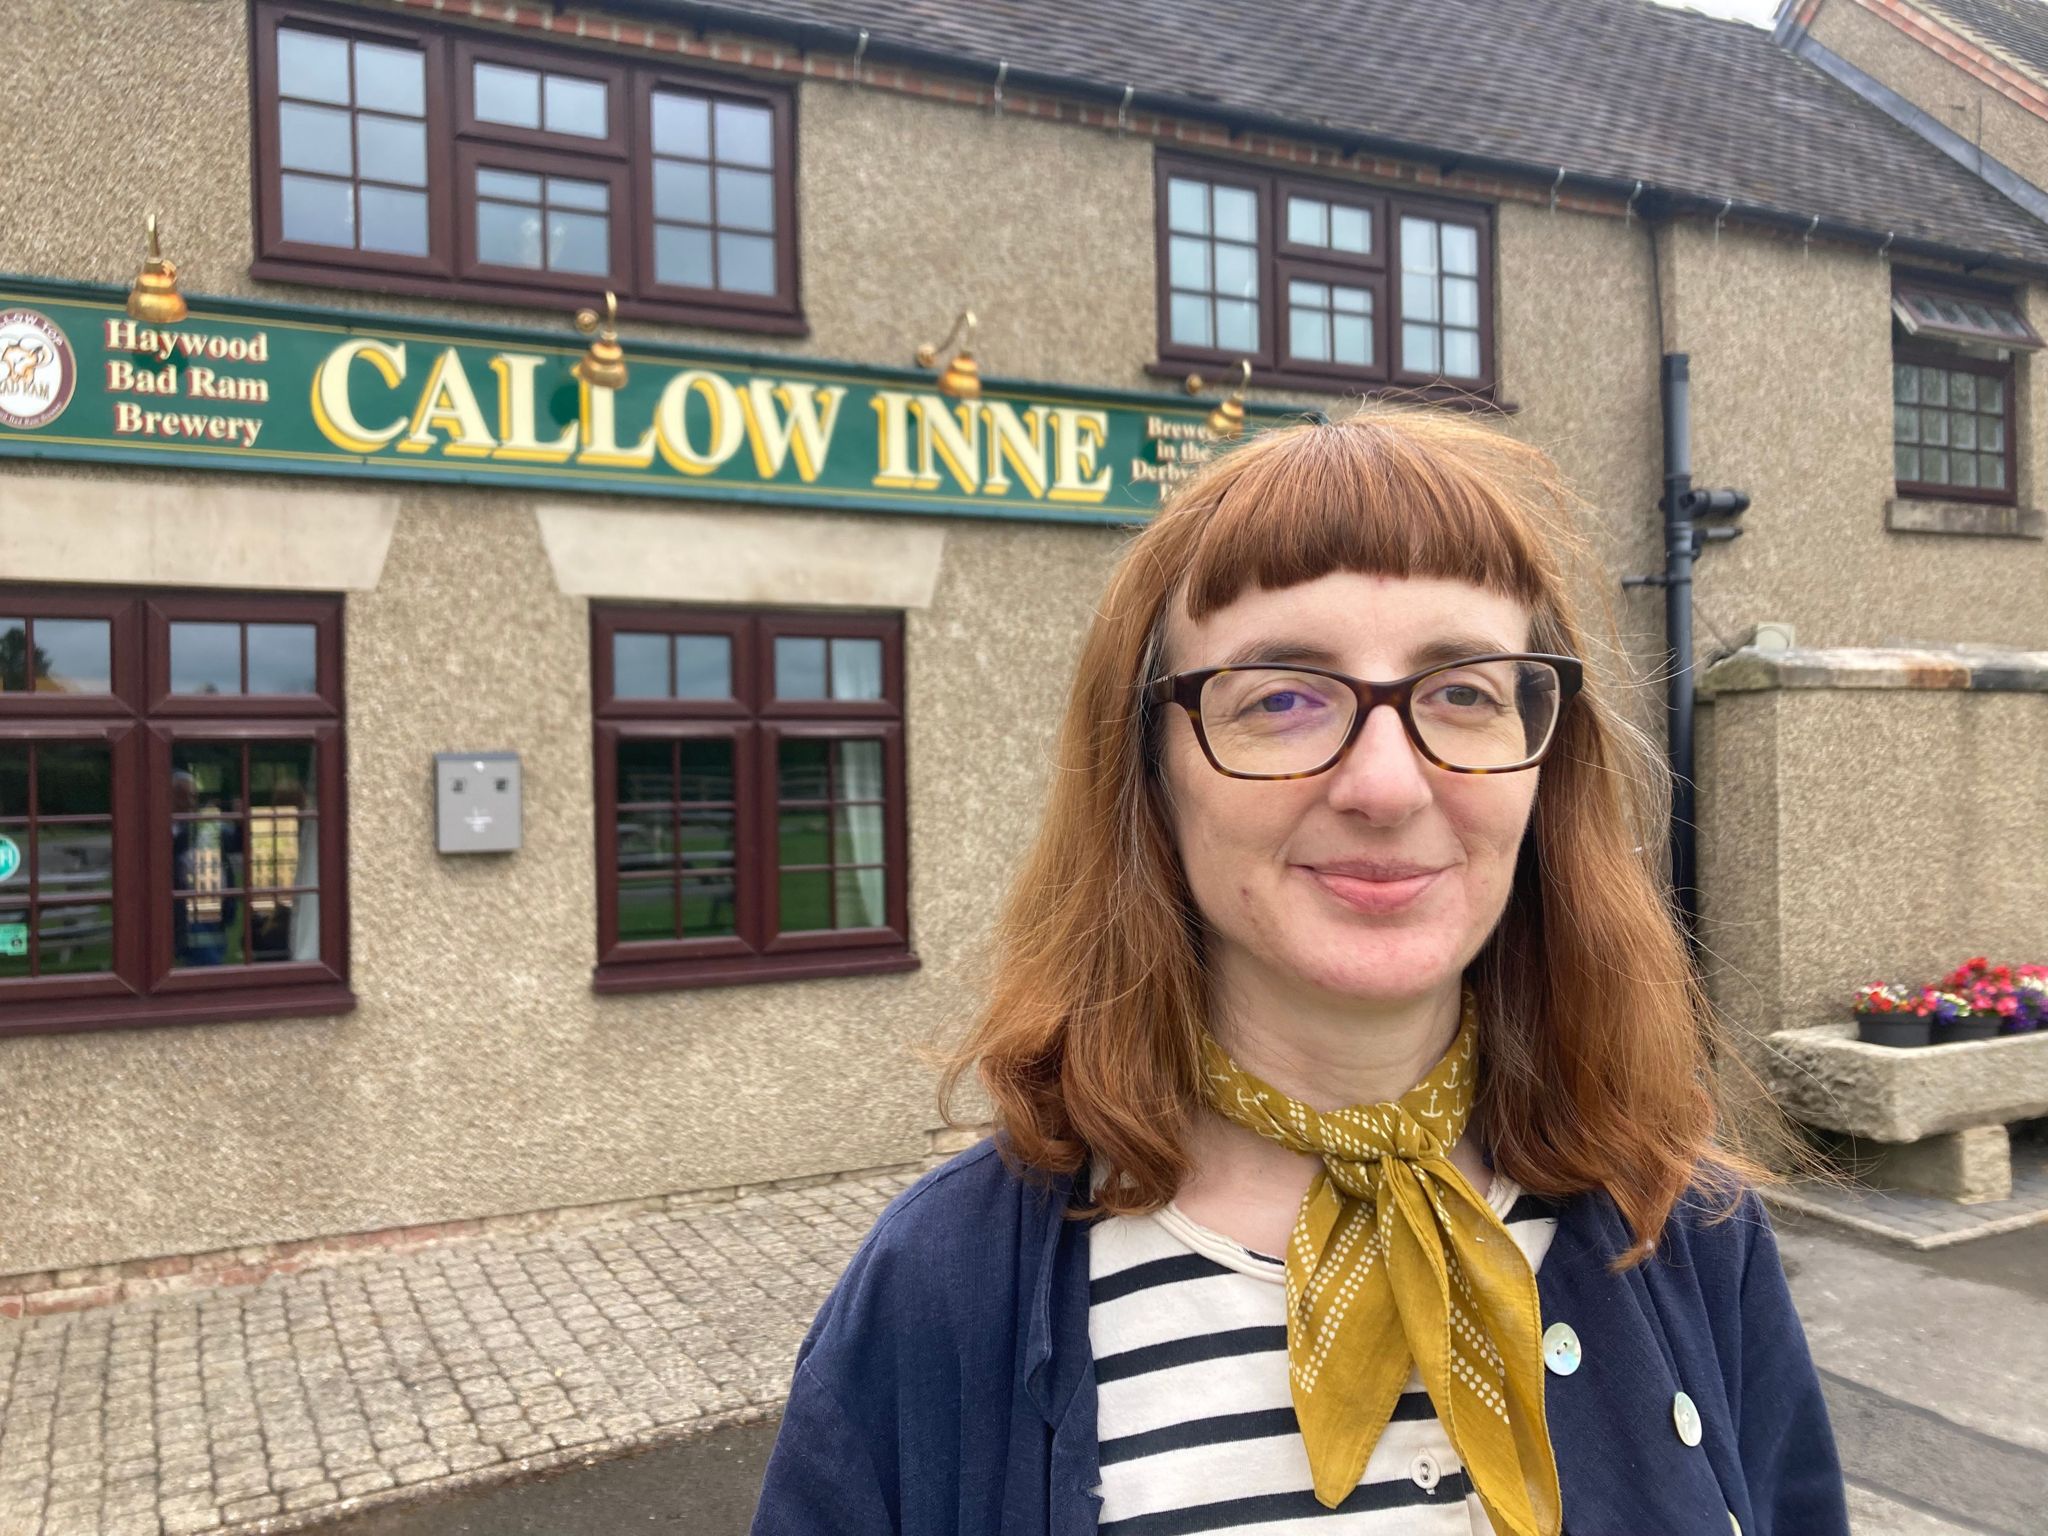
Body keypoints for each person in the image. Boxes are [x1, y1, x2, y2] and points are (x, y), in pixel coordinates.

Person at [750, 410, 1848, 1536]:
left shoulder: (1684, 1227)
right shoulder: (944, 1290)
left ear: (1543, 767)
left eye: (1463, 691)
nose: (1386, 785)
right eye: (1279, 697)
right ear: (1150, 777)